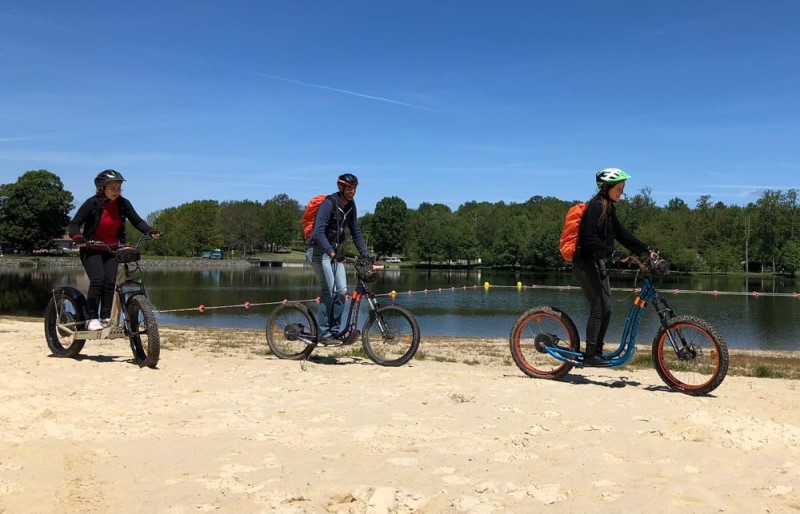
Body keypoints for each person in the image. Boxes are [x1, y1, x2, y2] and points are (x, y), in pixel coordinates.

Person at [572, 168, 656, 366]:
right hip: (585, 263)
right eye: (619, 188)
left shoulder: (608, 209)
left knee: (607, 308)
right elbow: (589, 238)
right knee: (599, 307)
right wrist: (612, 253)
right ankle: (591, 355)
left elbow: (623, 235)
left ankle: (597, 351)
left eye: (622, 188)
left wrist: (647, 250)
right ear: (606, 187)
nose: (622, 192)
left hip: (597, 263)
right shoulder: (595, 207)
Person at [68, 170, 160, 330]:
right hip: (91, 249)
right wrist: (78, 237)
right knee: (98, 280)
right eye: (112, 188)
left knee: (110, 282)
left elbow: (137, 221)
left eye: (118, 188)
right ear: (102, 188)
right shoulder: (91, 203)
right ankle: (91, 318)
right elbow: (74, 224)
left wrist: (150, 231)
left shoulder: (123, 204)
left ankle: (105, 317)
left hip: (111, 250)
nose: (116, 191)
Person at [306, 173, 370, 344]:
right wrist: (332, 252)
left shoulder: (351, 206)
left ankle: (334, 332)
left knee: (341, 292)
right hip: (319, 251)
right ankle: (323, 334)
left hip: (334, 253)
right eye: (349, 188)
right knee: (328, 291)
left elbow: (355, 231)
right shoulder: (329, 204)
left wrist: (365, 254)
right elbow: (318, 233)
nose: (352, 191)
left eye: (354, 188)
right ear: (340, 187)